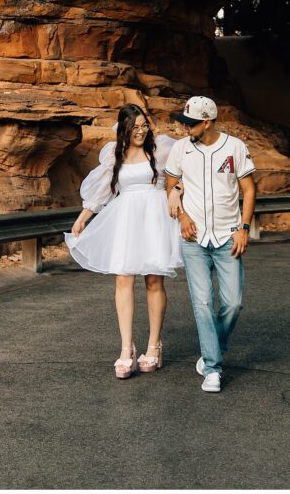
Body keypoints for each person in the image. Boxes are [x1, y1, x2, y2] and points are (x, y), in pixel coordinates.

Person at [65, 103, 183, 379]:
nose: (141, 132)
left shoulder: (162, 148)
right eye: (135, 127)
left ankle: (154, 345)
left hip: (155, 217)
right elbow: (105, 189)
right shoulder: (113, 154)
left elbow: (185, 172)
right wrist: (84, 217)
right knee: (123, 278)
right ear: (124, 129)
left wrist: (177, 190)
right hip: (126, 218)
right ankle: (126, 348)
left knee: (154, 279)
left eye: (144, 126)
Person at [164, 96, 256, 393]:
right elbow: (171, 183)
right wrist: (183, 217)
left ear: (207, 122)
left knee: (233, 302)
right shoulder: (180, 149)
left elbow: (249, 189)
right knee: (202, 303)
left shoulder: (235, 147)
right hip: (193, 237)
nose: (184, 127)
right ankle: (213, 368)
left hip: (228, 235)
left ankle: (212, 348)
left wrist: (244, 229)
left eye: (190, 123)